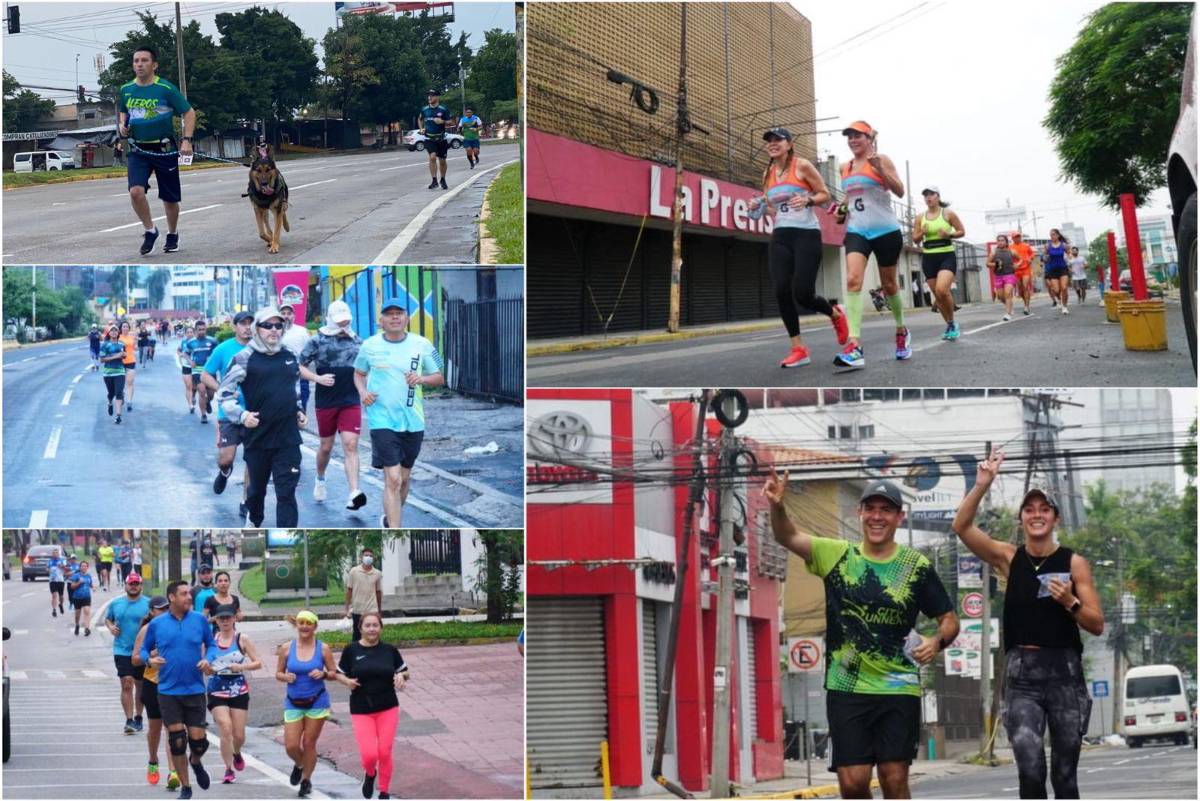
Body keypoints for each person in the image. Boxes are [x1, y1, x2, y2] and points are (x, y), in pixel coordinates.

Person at [765, 471, 959, 799]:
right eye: (871, 508)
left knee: (893, 778)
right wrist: (778, 507)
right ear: (860, 513)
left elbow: (949, 620)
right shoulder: (836, 555)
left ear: (900, 517)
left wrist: (936, 641)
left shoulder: (915, 566)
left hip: (898, 688)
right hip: (847, 688)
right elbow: (788, 537)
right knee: (852, 784)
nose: (877, 516)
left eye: (886, 510)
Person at [952, 450, 1104, 799]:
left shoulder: (1074, 563)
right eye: (1030, 510)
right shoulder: (1008, 557)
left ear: (1055, 518)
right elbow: (960, 527)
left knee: (1065, 777)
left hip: (1064, 673)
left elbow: (1096, 624)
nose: (1037, 515)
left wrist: (1070, 602)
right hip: (1022, 676)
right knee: (1031, 770)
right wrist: (981, 486)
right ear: (1021, 518)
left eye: (1044, 509)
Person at [747, 127, 847, 368]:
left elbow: (824, 194)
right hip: (781, 235)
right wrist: (757, 206)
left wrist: (809, 199)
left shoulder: (802, 166)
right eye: (769, 141)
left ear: (789, 144)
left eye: (778, 140)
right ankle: (798, 348)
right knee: (781, 289)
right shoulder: (767, 173)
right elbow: (773, 207)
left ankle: (835, 314)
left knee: (803, 293)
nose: (772, 143)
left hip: (806, 235)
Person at [354, 294, 445, 527]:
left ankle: (390, 516)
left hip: (413, 420)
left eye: (399, 314)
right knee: (392, 479)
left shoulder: (422, 344)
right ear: (381, 320)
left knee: (404, 479)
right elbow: (358, 373)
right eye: (389, 314)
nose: (394, 318)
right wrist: (363, 393)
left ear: (406, 318)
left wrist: (421, 378)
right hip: (381, 419)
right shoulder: (370, 345)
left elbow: (440, 377)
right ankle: (395, 530)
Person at [217, 306, 307, 528]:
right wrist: (242, 415)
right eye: (268, 325)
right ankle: (254, 519)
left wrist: (299, 409)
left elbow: (293, 387)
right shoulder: (245, 358)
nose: (274, 330)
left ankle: (287, 535)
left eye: (279, 325)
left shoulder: (290, 355)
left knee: (286, 493)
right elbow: (224, 395)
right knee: (256, 491)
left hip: (288, 438)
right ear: (257, 329)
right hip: (258, 437)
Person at [836, 121, 911, 369]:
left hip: (886, 230)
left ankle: (901, 330)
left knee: (889, 285)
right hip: (857, 229)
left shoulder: (882, 160)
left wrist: (880, 169)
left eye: (858, 136)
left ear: (869, 138)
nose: (853, 140)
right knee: (853, 279)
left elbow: (899, 191)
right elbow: (850, 197)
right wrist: (841, 208)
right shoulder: (844, 167)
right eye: (849, 136)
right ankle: (855, 345)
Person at [141, 581, 217, 801]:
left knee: (199, 742)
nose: (189, 597)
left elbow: (211, 644)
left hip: (194, 688)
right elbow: (144, 650)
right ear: (172, 597)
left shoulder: (200, 620)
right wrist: (150, 660)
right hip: (168, 690)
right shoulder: (157, 624)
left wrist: (207, 659)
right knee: (177, 741)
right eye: (184, 594)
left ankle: (195, 761)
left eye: (189, 593)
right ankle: (186, 786)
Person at [117, 44, 196, 255]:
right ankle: (150, 230)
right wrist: (122, 125)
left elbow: (189, 113)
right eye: (136, 61)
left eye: (144, 60)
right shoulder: (125, 90)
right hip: (138, 149)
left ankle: (172, 234)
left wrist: (186, 140)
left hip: (164, 148)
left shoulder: (166, 89)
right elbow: (124, 112)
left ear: (154, 65)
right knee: (135, 192)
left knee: (169, 199)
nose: (139, 64)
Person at [334, 612, 408, 800]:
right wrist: (347, 681)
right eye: (367, 625)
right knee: (369, 755)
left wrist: (402, 676)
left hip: (388, 707)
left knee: (384, 751)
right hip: (361, 709)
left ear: (381, 628)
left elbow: (405, 671)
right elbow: (338, 673)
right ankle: (370, 774)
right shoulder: (351, 650)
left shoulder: (389, 650)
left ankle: (384, 791)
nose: (372, 629)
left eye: (375, 625)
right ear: (360, 629)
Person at [301, 300, 366, 510]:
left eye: (346, 321)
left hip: (350, 399)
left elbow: (367, 368)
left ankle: (354, 492)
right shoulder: (317, 340)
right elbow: (298, 366)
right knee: (326, 446)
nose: (343, 325)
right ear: (330, 319)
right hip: (326, 400)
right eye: (339, 321)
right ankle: (320, 477)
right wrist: (316, 379)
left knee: (350, 444)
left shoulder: (358, 341)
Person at [276, 611, 337, 798]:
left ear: (314, 626)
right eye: (301, 623)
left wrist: (324, 674)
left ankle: (306, 780)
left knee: (309, 743)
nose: (304, 627)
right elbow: (278, 673)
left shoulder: (323, 648)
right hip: (293, 702)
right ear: (297, 625)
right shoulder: (287, 648)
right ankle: (300, 764)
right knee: (291, 746)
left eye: (308, 623)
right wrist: (285, 676)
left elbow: (334, 672)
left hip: (317, 701)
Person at [202, 604, 262, 785]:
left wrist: (241, 667)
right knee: (225, 727)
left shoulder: (242, 639)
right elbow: (207, 670)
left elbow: (258, 663)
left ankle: (237, 752)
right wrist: (208, 669)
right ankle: (228, 769)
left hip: (238, 689)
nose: (225, 621)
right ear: (216, 620)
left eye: (228, 618)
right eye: (222, 618)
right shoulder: (211, 641)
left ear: (235, 619)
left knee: (239, 735)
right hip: (216, 688)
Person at [204, 312, 254, 508]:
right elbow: (206, 375)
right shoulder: (223, 350)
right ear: (235, 327)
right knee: (226, 458)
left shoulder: (261, 349)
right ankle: (225, 471)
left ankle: (246, 500)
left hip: (254, 413)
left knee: (252, 460)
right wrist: (221, 390)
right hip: (229, 412)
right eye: (243, 323)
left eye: (251, 323)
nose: (247, 327)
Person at [132, 595, 181, 789]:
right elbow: (134, 659)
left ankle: (173, 772)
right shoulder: (146, 630)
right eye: (159, 609)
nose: (164, 612)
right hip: (152, 683)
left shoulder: (175, 626)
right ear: (151, 612)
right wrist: (151, 656)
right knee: (155, 728)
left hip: (173, 682)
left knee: (173, 728)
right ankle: (153, 761)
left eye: (166, 608)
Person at [912, 186, 965, 340]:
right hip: (929, 257)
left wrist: (949, 234)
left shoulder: (948, 213)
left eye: (931, 195)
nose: (928, 198)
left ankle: (952, 322)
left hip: (946, 255)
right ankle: (950, 324)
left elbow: (962, 231)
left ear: (938, 196)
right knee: (937, 295)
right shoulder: (920, 217)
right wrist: (922, 232)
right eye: (925, 195)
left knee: (942, 290)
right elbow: (915, 239)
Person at [106, 572, 150, 734]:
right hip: (121, 649)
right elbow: (108, 619)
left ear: (141, 586)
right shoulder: (116, 603)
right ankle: (129, 720)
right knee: (127, 682)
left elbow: (157, 622)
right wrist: (111, 627)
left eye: (136, 584)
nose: (133, 586)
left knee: (140, 685)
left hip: (141, 650)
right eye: (130, 584)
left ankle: (139, 717)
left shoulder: (148, 604)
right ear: (125, 585)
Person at [181, 320, 219, 424]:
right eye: (199, 330)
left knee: (211, 394)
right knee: (202, 391)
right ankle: (203, 415)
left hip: (210, 370)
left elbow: (218, 354)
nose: (202, 332)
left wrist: (212, 359)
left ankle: (207, 403)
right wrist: (190, 361)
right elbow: (185, 353)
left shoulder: (212, 341)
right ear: (196, 330)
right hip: (197, 371)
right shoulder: (191, 342)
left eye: (203, 329)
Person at [279, 301, 313, 415]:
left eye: (289, 313)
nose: (286, 316)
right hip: (280, 377)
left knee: (301, 412)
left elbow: (309, 352)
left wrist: (303, 367)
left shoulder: (302, 332)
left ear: (294, 316)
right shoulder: (273, 332)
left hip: (300, 376)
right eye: (283, 313)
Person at [344, 548, 383, 643]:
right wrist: (346, 608)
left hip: (372, 609)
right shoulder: (354, 571)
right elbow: (349, 590)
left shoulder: (377, 573)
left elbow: (378, 592)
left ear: (373, 558)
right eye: (366, 555)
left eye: (370, 555)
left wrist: (379, 609)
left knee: (373, 633)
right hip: (357, 609)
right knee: (357, 635)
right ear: (361, 557)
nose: (368, 557)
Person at [421, 89, 452, 189]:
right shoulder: (425, 109)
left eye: (432, 95)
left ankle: (442, 179)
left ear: (437, 97)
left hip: (441, 138)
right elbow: (419, 118)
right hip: (429, 138)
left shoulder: (443, 109)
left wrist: (442, 121)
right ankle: (434, 180)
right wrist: (421, 128)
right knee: (432, 157)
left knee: (442, 161)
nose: (429, 97)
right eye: (428, 95)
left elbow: (451, 122)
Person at [99, 324, 128, 425]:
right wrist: (116, 356)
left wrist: (124, 355)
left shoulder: (121, 344)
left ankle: (118, 415)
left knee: (119, 392)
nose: (114, 332)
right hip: (108, 373)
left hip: (120, 371)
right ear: (109, 333)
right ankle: (110, 403)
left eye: (116, 331)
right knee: (111, 394)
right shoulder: (105, 345)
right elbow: (102, 360)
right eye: (112, 331)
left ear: (118, 333)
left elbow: (124, 355)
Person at [1042, 229, 1072, 315]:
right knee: (1056, 290)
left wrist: (1069, 259)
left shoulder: (1064, 245)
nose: (1052, 236)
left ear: (1058, 235)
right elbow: (1044, 256)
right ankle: (1060, 299)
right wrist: (1045, 258)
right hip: (1053, 270)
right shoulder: (1048, 246)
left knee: (1064, 287)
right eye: (1051, 235)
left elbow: (1069, 253)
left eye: (1054, 234)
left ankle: (1065, 306)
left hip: (1063, 268)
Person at [989, 234, 1018, 321]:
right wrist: (995, 264)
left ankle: (1008, 313)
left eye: (1002, 240)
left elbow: (1020, 259)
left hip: (1010, 275)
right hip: (998, 276)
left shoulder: (1011, 252)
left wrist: (1017, 265)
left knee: (1007, 293)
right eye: (999, 241)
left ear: (1006, 242)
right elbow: (987, 263)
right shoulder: (994, 252)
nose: (1000, 242)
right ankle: (1009, 306)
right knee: (1001, 297)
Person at [1010, 231, 1037, 315]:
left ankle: (1026, 307)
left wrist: (1030, 258)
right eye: (1015, 237)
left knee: (1025, 287)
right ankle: (1025, 301)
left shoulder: (1026, 245)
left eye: (1019, 236)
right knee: (1020, 290)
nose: (1017, 238)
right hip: (1016, 270)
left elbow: (1032, 254)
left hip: (1026, 269)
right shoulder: (1010, 247)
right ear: (1013, 238)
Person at [68, 560, 95, 636]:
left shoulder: (88, 576)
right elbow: (72, 586)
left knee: (87, 611)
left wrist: (93, 587)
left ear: (87, 567)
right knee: (77, 615)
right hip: (77, 597)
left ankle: (87, 628)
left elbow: (90, 584)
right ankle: (77, 625)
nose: (84, 567)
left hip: (86, 596)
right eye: (82, 566)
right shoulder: (76, 575)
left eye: (85, 566)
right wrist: (79, 582)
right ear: (80, 567)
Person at [179, 324, 199, 414]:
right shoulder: (183, 342)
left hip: (197, 366)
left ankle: (194, 394)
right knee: (188, 386)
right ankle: (190, 405)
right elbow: (179, 350)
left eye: (191, 332)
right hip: (186, 366)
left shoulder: (197, 342)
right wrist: (180, 355)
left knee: (195, 386)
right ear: (185, 333)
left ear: (194, 333)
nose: (190, 334)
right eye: (188, 332)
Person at [119, 320, 138, 411]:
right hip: (120, 362)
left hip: (131, 361)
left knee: (130, 382)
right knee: (121, 383)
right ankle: (121, 395)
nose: (125, 328)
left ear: (129, 328)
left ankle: (129, 402)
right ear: (121, 328)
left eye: (127, 326)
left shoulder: (132, 337)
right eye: (123, 326)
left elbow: (135, 348)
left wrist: (136, 342)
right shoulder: (118, 337)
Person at [47, 547, 66, 618]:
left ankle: (61, 604)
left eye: (56, 553)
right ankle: (54, 609)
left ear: (58, 554)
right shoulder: (50, 561)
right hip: (52, 581)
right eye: (54, 553)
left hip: (60, 580)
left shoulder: (62, 560)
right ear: (52, 554)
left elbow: (65, 568)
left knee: (61, 596)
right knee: (54, 595)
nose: (55, 554)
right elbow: (47, 568)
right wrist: (47, 570)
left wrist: (61, 566)